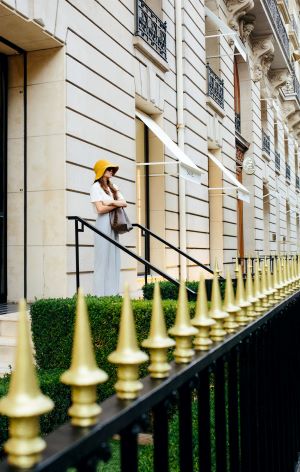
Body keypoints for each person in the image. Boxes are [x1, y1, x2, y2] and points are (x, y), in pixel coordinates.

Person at [90, 159, 127, 296]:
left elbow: (124, 203)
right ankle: (100, 294)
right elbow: (100, 209)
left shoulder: (113, 187)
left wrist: (111, 202)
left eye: (112, 169)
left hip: (114, 222)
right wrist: (116, 204)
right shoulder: (95, 187)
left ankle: (112, 293)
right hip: (103, 223)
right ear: (101, 171)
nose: (111, 171)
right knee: (102, 258)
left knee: (114, 258)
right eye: (108, 169)